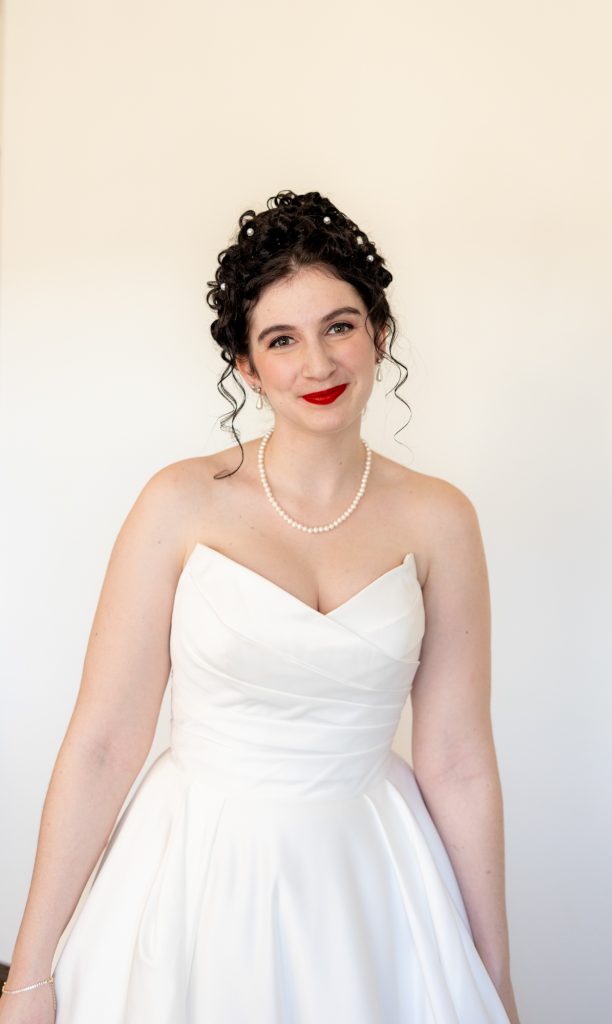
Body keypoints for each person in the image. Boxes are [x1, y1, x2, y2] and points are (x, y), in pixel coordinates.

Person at [1, 189, 521, 1023]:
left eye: (339, 327)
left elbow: (457, 760)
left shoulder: (440, 518)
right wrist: (29, 974)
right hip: (194, 873)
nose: (318, 365)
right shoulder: (178, 502)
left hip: (370, 877)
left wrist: (493, 980)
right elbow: (102, 745)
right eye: (282, 340)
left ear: (379, 333)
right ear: (246, 366)